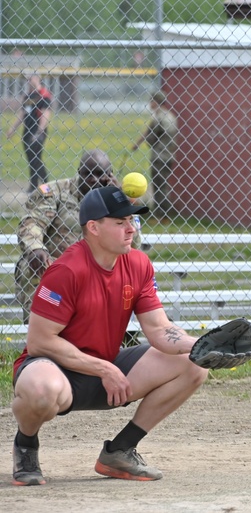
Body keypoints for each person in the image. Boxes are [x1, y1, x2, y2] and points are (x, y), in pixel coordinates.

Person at [10, 185, 209, 485]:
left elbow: (157, 328)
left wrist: (203, 344)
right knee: (41, 391)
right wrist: (104, 369)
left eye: (131, 221)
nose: (131, 229)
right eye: (120, 223)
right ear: (93, 228)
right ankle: (26, 444)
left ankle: (120, 451)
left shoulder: (138, 263)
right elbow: (40, 342)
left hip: (108, 368)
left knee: (194, 363)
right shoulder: (67, 270)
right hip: (56, 370)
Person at [15, 150, 142, 322]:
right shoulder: (56, 192)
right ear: (79, 172)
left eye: (100, 174)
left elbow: (134, 245)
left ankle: (122, 339)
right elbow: (32, 222)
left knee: (130, 270)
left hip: (101, 271)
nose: (94, 180)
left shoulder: (113, 199)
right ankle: (42, 329)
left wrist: (118, 201)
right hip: (59, 269)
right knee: (31, 264)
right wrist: (35, 248)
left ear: (109, 176)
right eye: (88, 174)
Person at [131, 91, 179, 217]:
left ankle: (161, 214)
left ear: (156, 102)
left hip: (158, 156)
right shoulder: (171, 116)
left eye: (151, 101)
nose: (150, 104)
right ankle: (164, 212)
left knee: (158, 187)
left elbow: (151, 137)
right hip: (169, 155)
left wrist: (143, 142)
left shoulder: (158, 118)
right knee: (164, 184)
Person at [6, 74, 53, 192]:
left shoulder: (44, 95)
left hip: (37, 131)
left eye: (30, 78)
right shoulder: (28, 96)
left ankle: (47, 188)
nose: (28, 81)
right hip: (27, 131)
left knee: (37, 159)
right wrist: (12, 128)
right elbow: (22, 114)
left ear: (37, 78)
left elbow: (46, 114)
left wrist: (39, 131)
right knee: (31, 159)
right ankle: (33, 186)